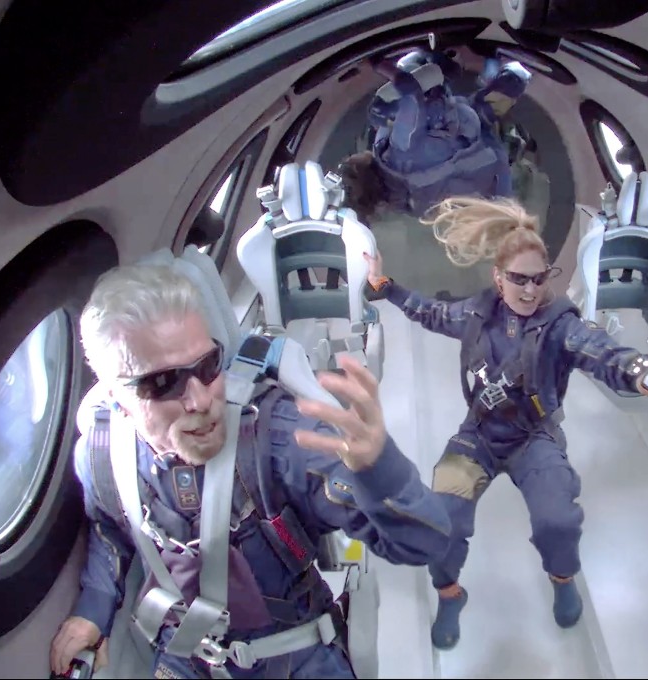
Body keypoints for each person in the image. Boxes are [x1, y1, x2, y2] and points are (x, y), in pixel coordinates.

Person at [360, 196, 648, 650]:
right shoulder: (474, 314)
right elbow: (428, 311)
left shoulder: (562, 327)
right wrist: (383, 285)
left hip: (534, 439)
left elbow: (615, 359)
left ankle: (562, 578)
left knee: (558, 520)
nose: (529, 291)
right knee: (441, 521)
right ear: (497, 278)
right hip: (479, 438)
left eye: (538, 279)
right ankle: (450, 592)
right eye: (518, 280)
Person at [48, 263, 451, 678]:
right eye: (165, 382)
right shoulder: (102, 458)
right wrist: (92, 610)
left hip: (293, 654)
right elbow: (110, 533)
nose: (200, 400)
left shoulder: (280, 442)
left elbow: (427, 543)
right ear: (117, 396)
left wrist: (382, 470)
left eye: (207, 367)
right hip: (183, 655)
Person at [337, 53, 532, 225]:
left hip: (493, 173)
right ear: (359, 166)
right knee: (381, 111)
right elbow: (410, 91)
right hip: (476, 131)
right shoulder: (400, 150)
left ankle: (515, 82)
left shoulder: (407, 205)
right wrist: (376, 61)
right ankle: (454, 70)